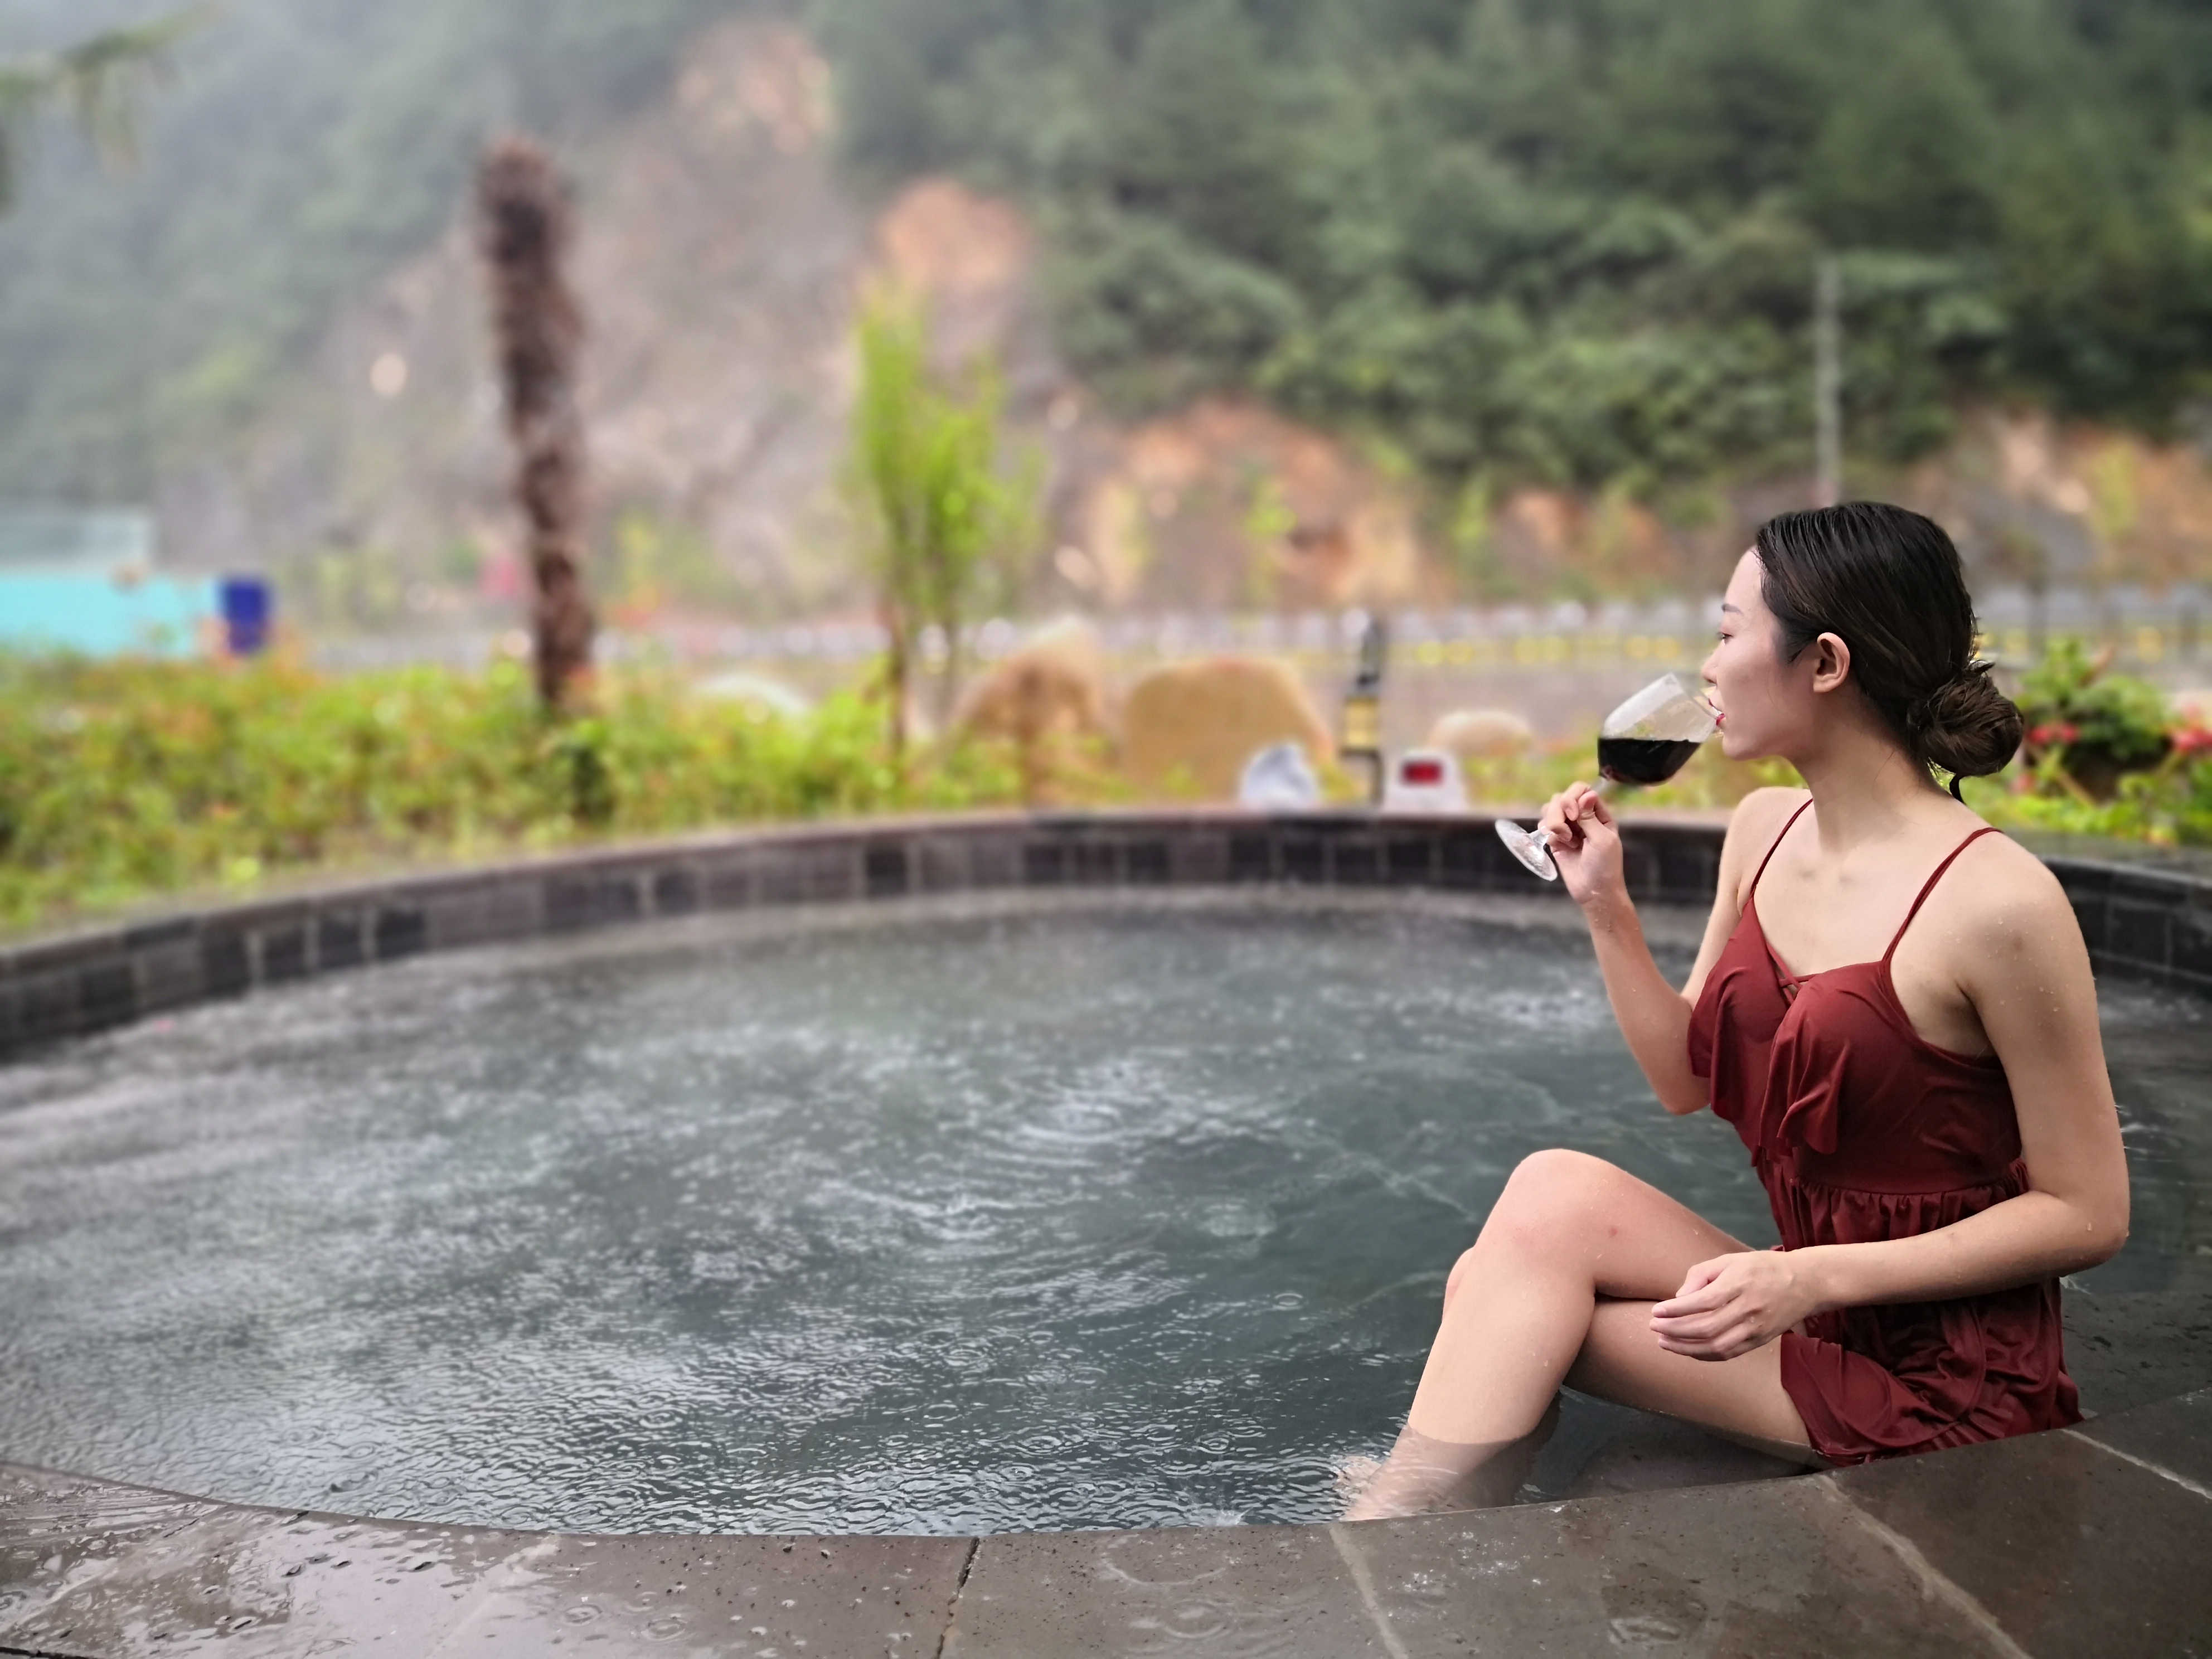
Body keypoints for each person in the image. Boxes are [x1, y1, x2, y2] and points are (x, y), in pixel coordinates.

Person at [1342, 501, 2131, 1520]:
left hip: (1948, 1383)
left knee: (1500, 1304)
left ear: (1826, 663)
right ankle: (1407, 1524)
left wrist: (1812, 1282)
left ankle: (1388, 1535)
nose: (1707, 669)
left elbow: (2089, 1211)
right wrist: (1606, 907)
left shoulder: (2000, 906)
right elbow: (1686, 1079)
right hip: (1804, 1296)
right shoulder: (1762, 832)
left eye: (1727, 633)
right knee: (1545, 1201)